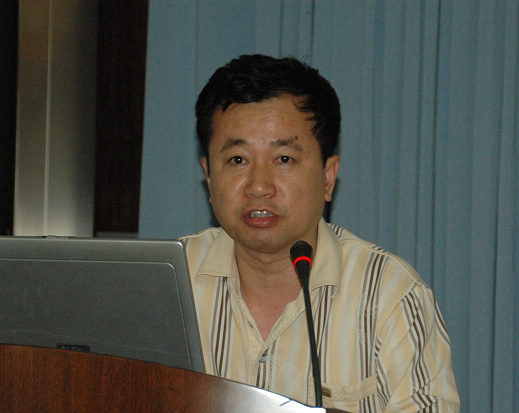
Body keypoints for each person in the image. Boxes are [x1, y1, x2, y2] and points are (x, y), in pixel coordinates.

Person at [182, 54, 459, 412]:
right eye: (238, 160)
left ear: (328, 177)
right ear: (209, 176)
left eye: (284, 159)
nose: (259, 186)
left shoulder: (390, 295)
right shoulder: (168, 282)